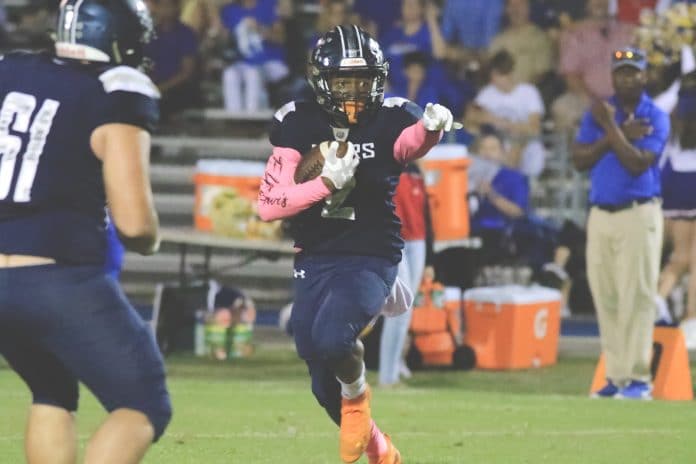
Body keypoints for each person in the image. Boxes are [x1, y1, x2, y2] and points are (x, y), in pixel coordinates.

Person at [257, 24, 456, 464]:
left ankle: (357, 393)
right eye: (343, 80)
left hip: (372, 252)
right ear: (322, 80)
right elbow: (270, 205)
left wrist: (431, 129)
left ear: (379, 79)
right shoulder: (298, 121)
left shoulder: (391, 116)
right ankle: (379, 446)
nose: (353, 90)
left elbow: (409, 142)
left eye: (362, 80)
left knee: (332, 340)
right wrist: (325, 182)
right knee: (315, 364)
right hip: (316, 253)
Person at [0, 1, 172, 462]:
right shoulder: (115, 86)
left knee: (51, 389)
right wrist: (152, 239)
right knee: (143, 403)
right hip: (55, 277)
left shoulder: (11, 69)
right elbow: (134, 223)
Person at [573, 47, 669, 400]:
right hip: (601, 213)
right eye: (621, 71)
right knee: (607, 296)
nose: (627, 78)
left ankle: (639, 378)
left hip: (638, 212)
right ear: (612, 76)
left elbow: (637, 162)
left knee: (638, 296)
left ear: (645, 76)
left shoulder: (656, 115)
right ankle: (615, 376)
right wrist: (615, 132)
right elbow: (578, 159)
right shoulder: (596, 113)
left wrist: (610, 126)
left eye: (634, 72)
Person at [378, 162, 433, 387]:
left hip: (417, 241)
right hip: (393, 239)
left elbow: (426, 215)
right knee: (400, 308)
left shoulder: (416, 171)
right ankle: (387, 376)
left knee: (405, 312)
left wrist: (431, 255)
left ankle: (393, 371)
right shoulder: (382, 160)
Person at [656, 87, 696, 344]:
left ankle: (658, 298)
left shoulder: (673, 133)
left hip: (676, 189)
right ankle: (691, 318)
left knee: (679, 257)